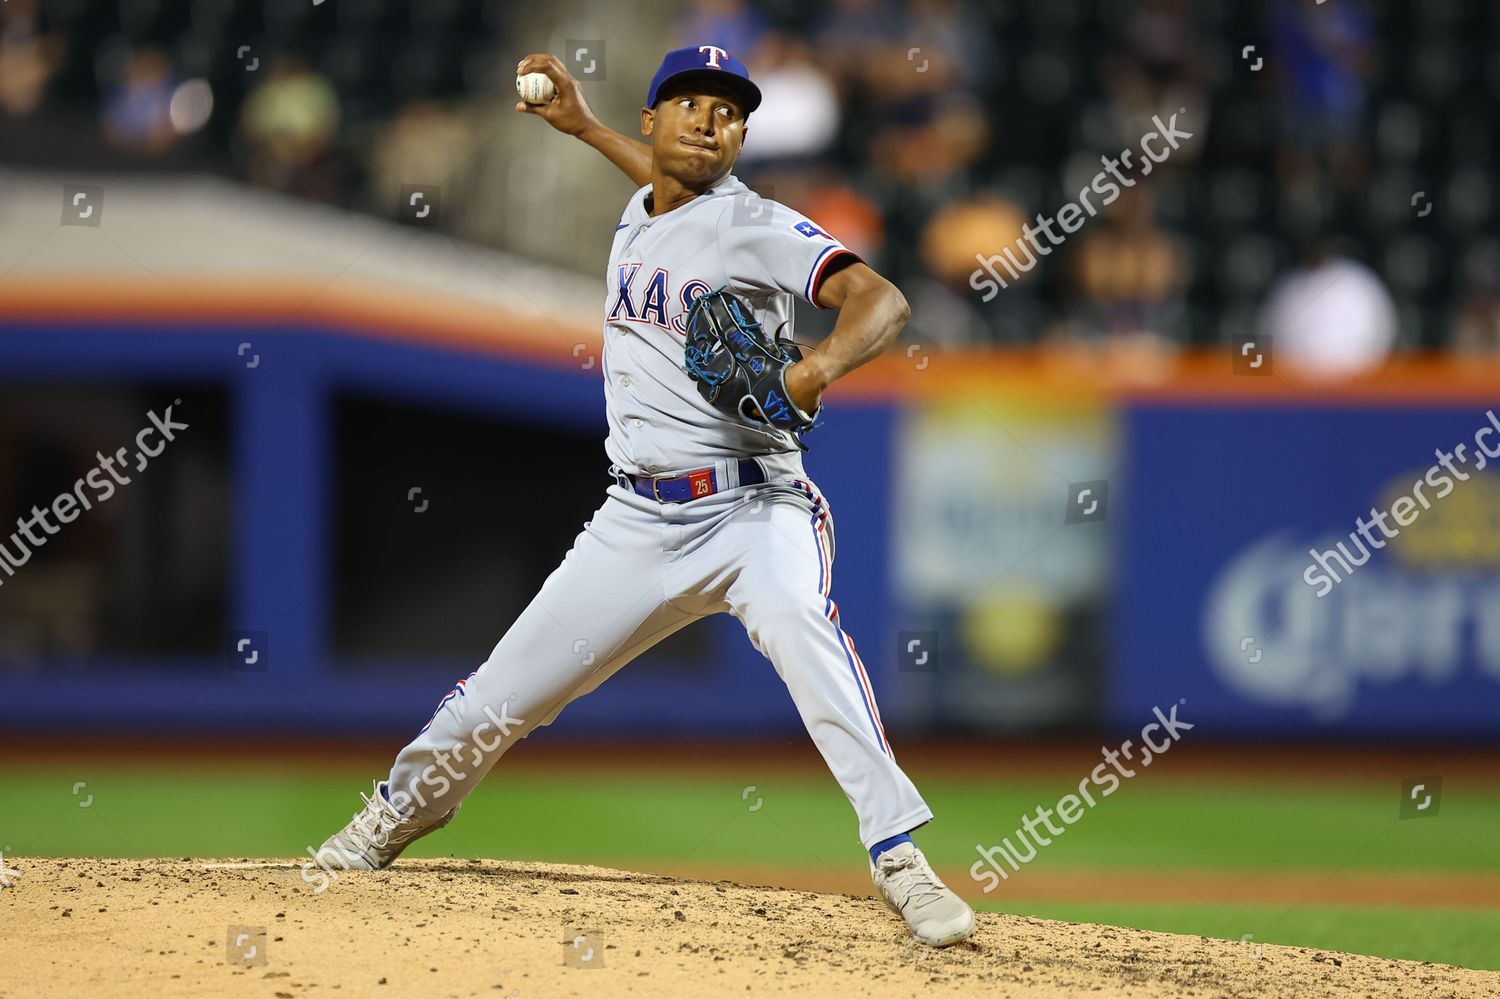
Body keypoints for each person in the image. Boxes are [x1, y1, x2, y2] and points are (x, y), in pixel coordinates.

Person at [315, 45, 975, 948]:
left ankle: (899, 854)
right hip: (636, 519)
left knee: (799, 627)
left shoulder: (756, 225)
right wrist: (583, 127)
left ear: (744, 133)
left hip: (755, 507)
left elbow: (881, 298)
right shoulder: (644, 211)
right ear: (651, 122)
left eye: (730, 110)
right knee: (498, 700)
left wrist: (813, 369)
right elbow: (664, 195)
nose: (711, 120)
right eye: (691, 104)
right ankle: (395, 813)